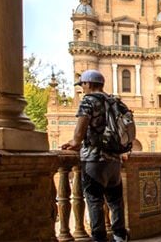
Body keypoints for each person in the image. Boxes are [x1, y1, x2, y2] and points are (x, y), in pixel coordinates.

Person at [61, 69, 129, 242]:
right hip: (114, 159)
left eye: (82, 85)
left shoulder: (89, 101)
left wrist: (75, 142)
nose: (82, 88)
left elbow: (82, 126)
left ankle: (99, 238)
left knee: (94, 201)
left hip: (94, 158)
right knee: (115, 201)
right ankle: (120, 236)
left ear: (88, 84)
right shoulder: (115, 101)